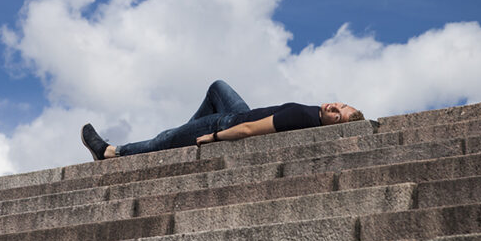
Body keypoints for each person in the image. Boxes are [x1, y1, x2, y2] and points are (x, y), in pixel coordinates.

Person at [80, 80, 364, 160]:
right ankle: (181, 138)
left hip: (225, 125)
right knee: (218, 88)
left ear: (331, 128)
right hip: (237, 112)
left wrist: (213, 137)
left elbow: (250, 130)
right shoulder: (312, 113)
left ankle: (110, 153)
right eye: (341, 106)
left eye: (338, 116)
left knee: (163, 140)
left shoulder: (303, 116)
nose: (334, 109)